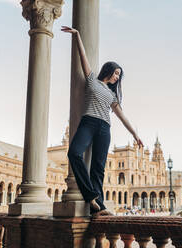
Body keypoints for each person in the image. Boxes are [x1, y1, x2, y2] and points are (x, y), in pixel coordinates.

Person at [61, 26, 144, 216]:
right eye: (116, 73)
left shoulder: (112, 95)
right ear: (108, 70)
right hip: (88, 122)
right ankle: (90, 195)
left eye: (119, 76)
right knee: (74, 153)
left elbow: (122, 116)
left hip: (104, 127)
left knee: (98, 168)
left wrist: (135, 134)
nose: (117, 77)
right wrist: (77, 35)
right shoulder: (92, 81)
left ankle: (98, 207)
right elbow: (84, 59)